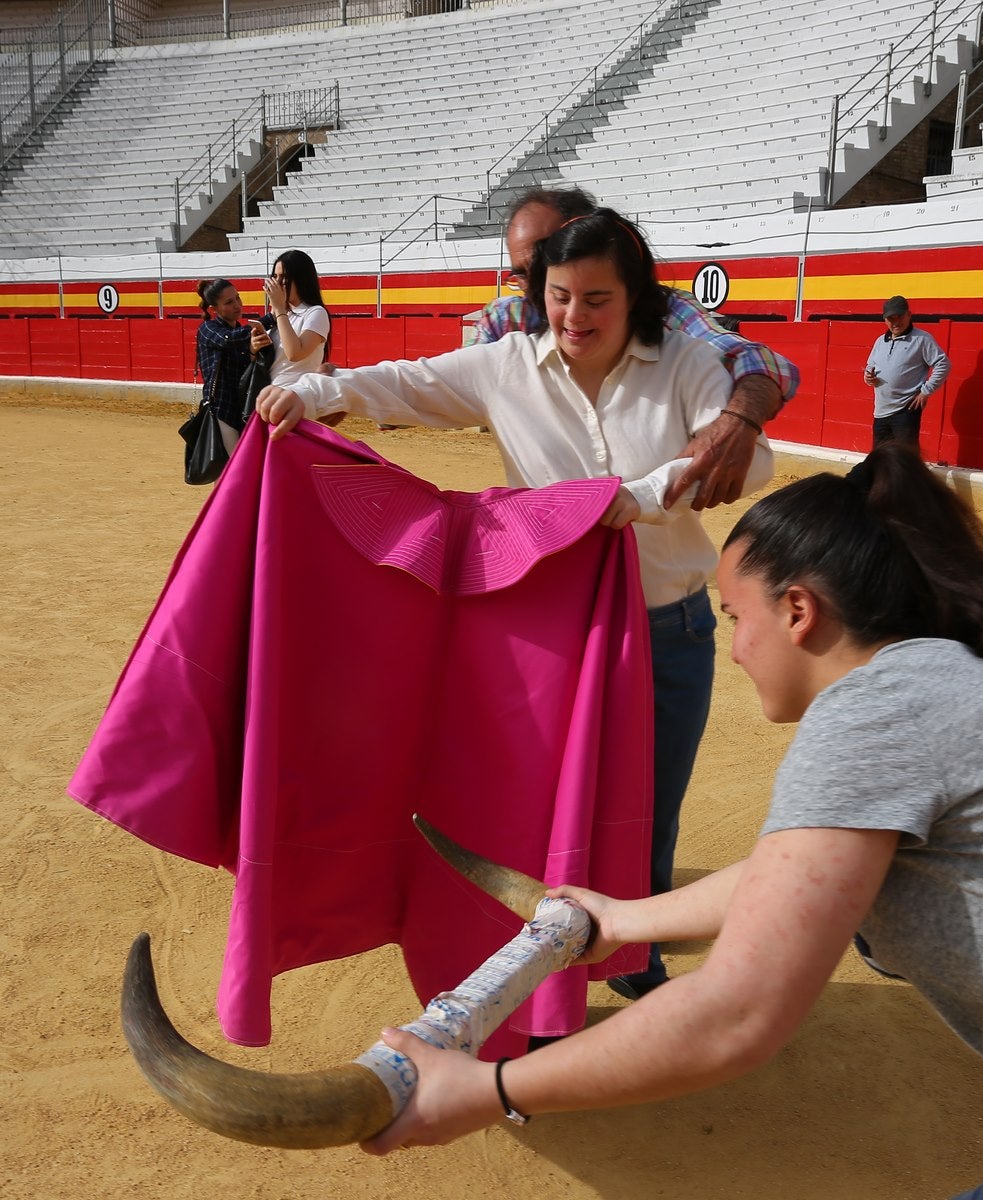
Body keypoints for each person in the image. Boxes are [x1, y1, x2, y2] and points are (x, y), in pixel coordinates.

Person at [359, 443, 983, 1200]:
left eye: (735, 616)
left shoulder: (876, 713)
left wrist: (487, 1090)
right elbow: (794, 880)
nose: (736, 648)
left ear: (798, 610)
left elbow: (734, 1016)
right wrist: (621, 921)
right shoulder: (939, 687)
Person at [256, 207, 775, 1007]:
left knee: (647, 809)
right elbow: (405, 382)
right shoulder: (506, 363)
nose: (575, 317)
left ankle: (631, 955)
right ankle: (532, 965)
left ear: (635, 295)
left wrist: (631, 499)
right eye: (561, 295)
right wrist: (312, 391)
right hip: (549, 633)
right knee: (535, 809)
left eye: (597, 299)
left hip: (664, 625)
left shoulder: (685, 363)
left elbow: (747, 455)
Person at [475, 187, 799, 511]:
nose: (537, 283)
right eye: (522, 273)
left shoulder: (663, 310)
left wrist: (739, 418)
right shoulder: (507, 318)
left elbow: (757, 360)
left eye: (547, 259)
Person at [194, 278, 272, 453]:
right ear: (214, 309)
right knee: (234, 468)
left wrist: (252, 351)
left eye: (237, 298)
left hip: (241, 410)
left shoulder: (240, 333)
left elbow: (245, 374)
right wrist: (269, 319)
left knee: (230, 471)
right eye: (229, 302)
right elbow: (227, 339)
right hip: (220, 410)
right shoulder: (207, 329)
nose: (237, 305)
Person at [864, 294, 951, 448]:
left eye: (900, 317)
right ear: (885, 319)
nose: (896, 322)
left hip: (906, 410)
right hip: (880, 410)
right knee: (880, 458)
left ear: (909, 315)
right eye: (891, 318)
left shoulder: (922, 339)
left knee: (906, 459)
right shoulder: (879, 341)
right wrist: (868, 377)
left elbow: (943, 364)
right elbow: (870, 366)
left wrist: (926, 391)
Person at [249, 249, 331, 385]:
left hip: (297, 395)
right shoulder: (277, 315)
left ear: (301, 279)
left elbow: (295, 353)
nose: (278, 283)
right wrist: (253, 349)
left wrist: (280, 309)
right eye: (275, 276)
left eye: (284, 277)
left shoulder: (315, 312)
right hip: (269, 392)